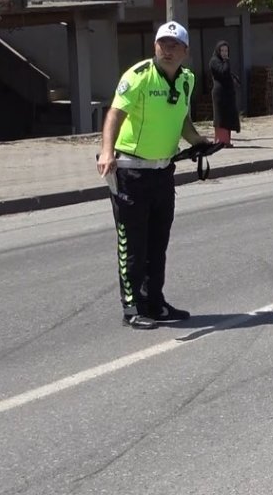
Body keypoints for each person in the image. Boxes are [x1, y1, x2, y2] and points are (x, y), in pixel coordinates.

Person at [98, 21, 215, 329]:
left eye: (174, 45)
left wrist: (200, 142)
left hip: (163, 171)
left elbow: (182, 122)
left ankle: (155, 303)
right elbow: (114, 114)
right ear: (155, 47)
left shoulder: (187, 80)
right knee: (132, 243)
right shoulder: (137, 77)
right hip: (130, 173)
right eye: (163, 44)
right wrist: (107, 151)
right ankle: (132, 308)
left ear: (186, 52)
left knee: (157, 243)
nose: (168, 49)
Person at [208, 40, 240, 146]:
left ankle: (226, 141)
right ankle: (221, 141)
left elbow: (227, 74)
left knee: (228, 117)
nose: (224, 53)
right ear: (218, 51)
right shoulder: (214, 61)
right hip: (220, 94)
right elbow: (223, 72)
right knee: (221, 117)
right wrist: (226, 61)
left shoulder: (223, 61)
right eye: (222, 50)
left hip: (227, 94)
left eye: (226, 50)